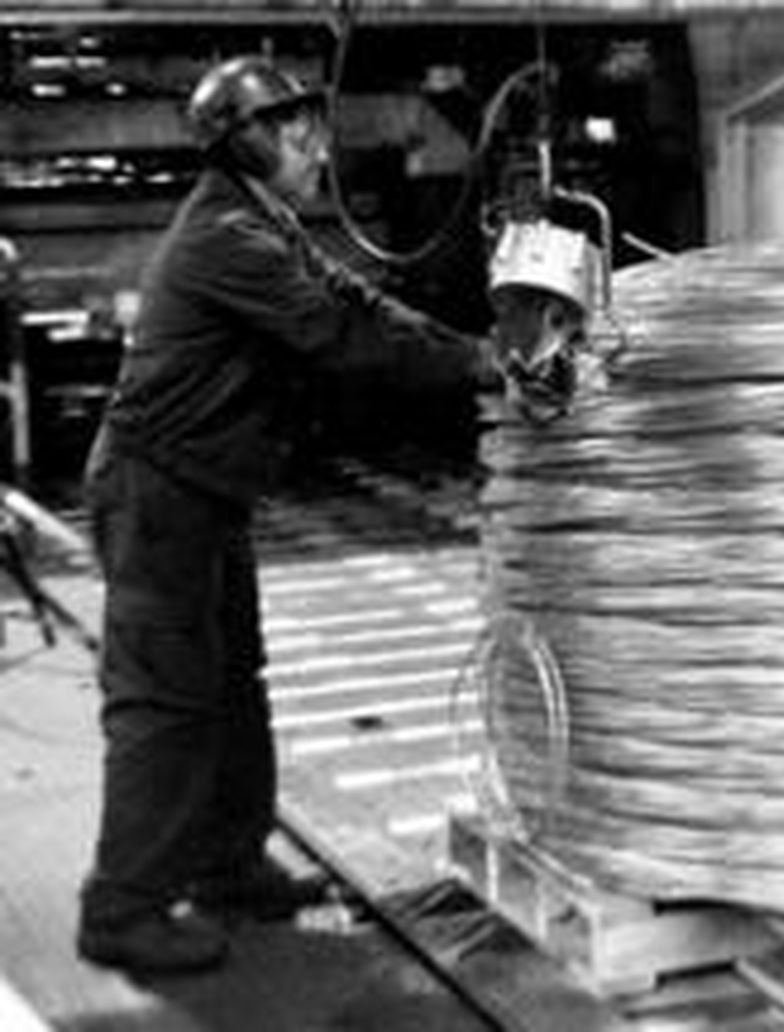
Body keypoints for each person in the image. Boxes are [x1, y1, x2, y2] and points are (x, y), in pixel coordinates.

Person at [75, 55, 499, 975]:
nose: (318, 143)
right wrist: (478, 368)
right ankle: (123, 907)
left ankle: (229, 868)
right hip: (156, 493)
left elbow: (359, 301)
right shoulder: (227, 235)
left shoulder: (265, 223)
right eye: (295, 128)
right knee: (165, 700)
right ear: (247, 143)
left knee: (234, 684)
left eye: (315, 122)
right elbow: (338, 336)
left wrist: (474, 349)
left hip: (204, 489)